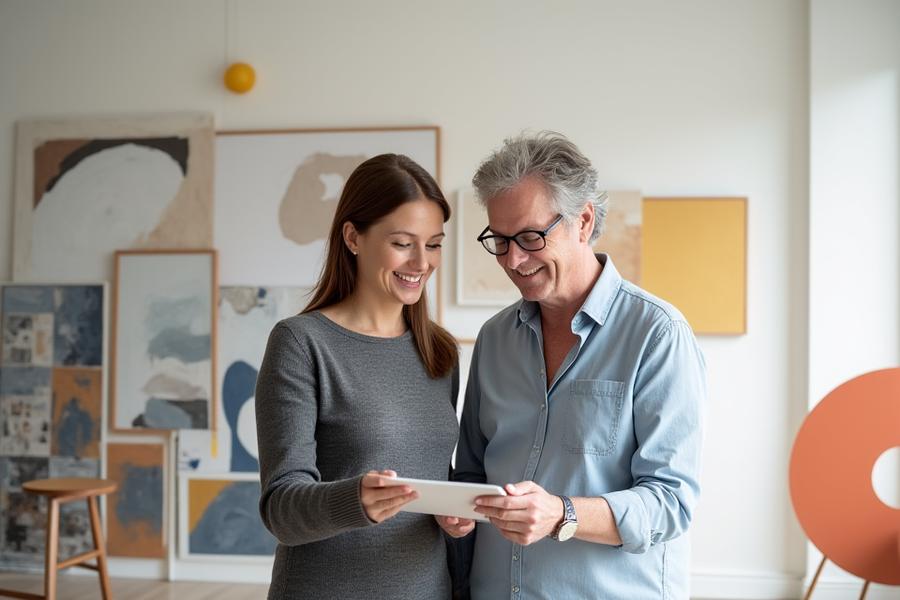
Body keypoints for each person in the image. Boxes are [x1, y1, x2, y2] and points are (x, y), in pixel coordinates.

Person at [442, 132, 706, 599]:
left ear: (582, 221)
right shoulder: (494, 338)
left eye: (529, 237)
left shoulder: (658, 334)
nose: (513, 260)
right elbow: (472, 473)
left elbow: (671, 502)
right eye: (499, 241)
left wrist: (562, 513)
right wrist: (458, 508)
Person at [255, 153, 461, 599]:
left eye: (435, 243)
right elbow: (280, 509)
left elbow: (431, 479)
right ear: (353, 237)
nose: (422, 262)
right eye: (403, 243)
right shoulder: (300, 343)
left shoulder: (440, 352)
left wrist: (454, 513)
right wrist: (356, 500)